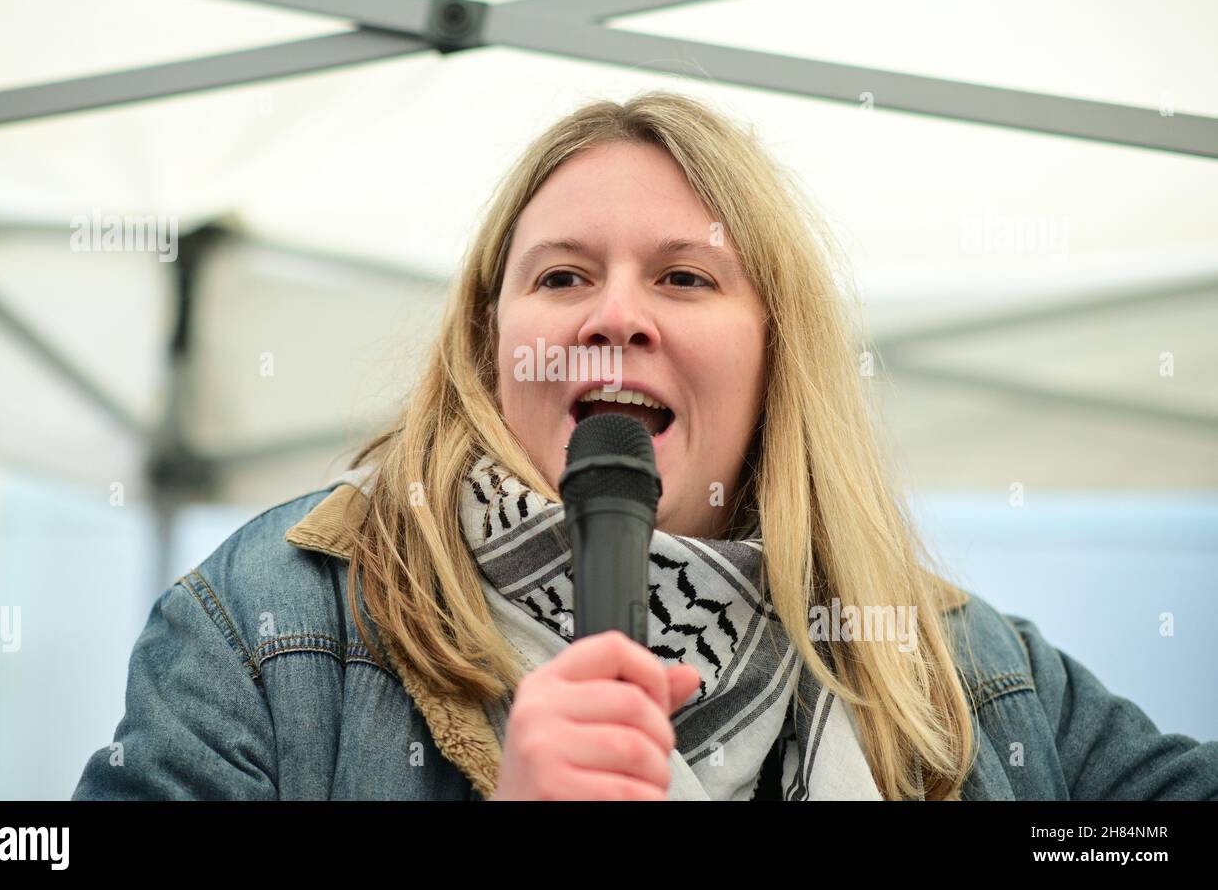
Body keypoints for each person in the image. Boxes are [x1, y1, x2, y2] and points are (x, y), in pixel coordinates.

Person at [73, 91, 1218, 801]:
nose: (615, 315)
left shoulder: (961, 670)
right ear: (490, 343)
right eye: (562, 275)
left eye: (683, 276)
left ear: (778, 352)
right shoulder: (279, 616)